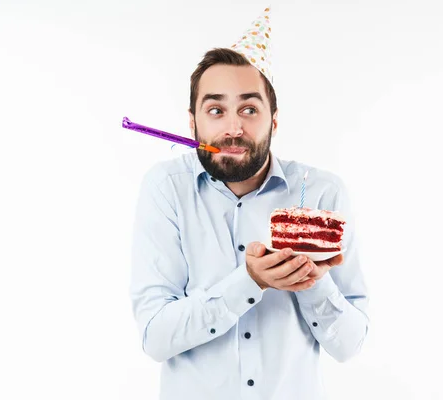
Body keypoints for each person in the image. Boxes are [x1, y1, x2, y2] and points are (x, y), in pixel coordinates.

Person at [130, 7, 369, 400]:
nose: (233, 127)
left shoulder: (323, 193)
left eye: (249, 109)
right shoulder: (166, 189)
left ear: (273, 121)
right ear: (192, 124)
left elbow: (350, 346)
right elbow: (156, 337)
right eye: (215, 110)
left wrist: (311, 282)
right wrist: (251, 281)